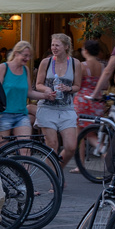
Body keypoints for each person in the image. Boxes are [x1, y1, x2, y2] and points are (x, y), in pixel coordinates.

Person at [33, 34, 81, 164]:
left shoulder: (75, 63)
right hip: (47, 108)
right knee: (52, 145)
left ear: (66, 46)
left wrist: (68, 88)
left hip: (66, 109)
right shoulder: (46, 62)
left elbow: (77, 86)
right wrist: (47, 90)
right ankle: (54, 179)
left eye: (57, 45)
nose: (54, 48)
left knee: (71, 147)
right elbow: (38, 84)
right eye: (52, 45)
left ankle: (57, 171)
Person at [0, 41, 35, 146]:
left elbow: (29, 92)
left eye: (29, 56)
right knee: (2, 151)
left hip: (21, 115)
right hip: (3, 114)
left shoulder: (26, 70)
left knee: (25, 149)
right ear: (16, 53)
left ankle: (24, 163)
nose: (27, 59)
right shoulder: (3, 67)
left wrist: (46, 95)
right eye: (25, 55)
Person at [75, 38, 105, 123]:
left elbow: (77, 84)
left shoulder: (83, 65)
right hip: (98, 99)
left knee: (80, 130)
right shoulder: (102, 66)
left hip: (83, 99)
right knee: (93, 129)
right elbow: (106, 85)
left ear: (86, 51)